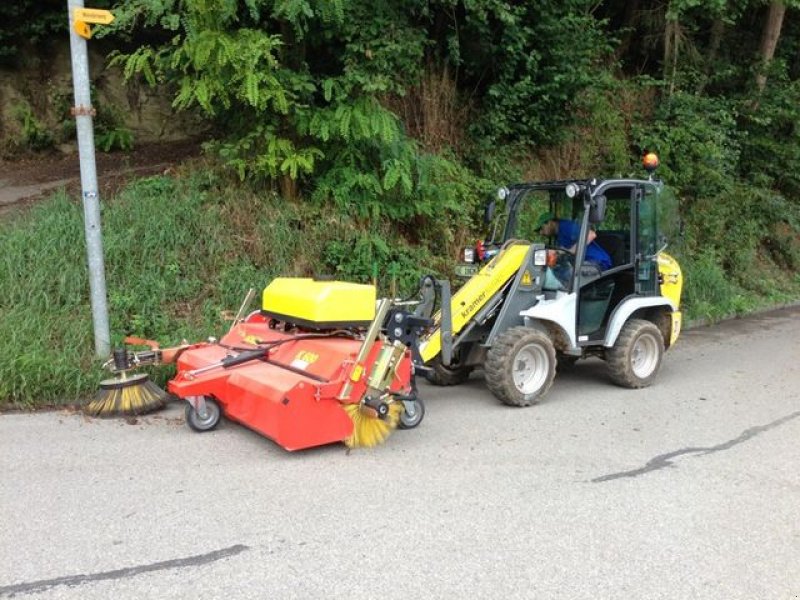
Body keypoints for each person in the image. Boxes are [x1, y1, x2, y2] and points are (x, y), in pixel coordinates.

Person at [537, 213, 612, 272]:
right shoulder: (558, 236)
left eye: (542, 228)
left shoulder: (567, 226)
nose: (540, 233)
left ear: (550, 223)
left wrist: (572, 250)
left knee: (570, 275)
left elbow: (591, 234)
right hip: (582, 263)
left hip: (597, 262)